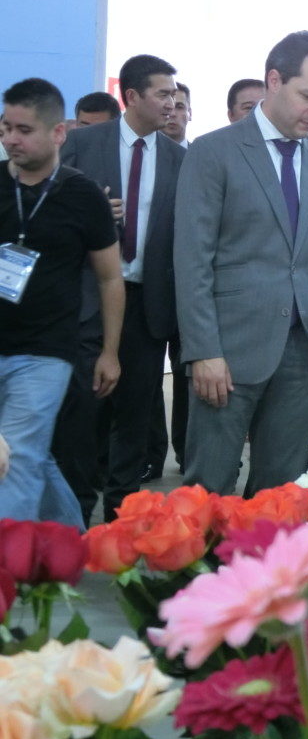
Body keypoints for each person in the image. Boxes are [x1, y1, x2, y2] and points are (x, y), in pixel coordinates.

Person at [175, 30, 308, 496]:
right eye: (307, 94)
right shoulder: (214, 152)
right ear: (274, 80)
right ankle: (201, 572)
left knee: (279, 494)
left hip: (307, 351)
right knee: (206, 490)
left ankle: (264, 572)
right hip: (227, 353)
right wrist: (203, 352)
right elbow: (192, 261)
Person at [61, 54, 185, 522]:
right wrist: (90, 215)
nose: (171, 104)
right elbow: (53, 209)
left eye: (175, 95)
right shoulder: (84, 144)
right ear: (131, 96)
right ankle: (75, 513)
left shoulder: (180, 158)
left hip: (148, 303)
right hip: (87, 300)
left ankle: (123, 517)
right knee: (84, 411)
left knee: (135, 413)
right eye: (162, 94)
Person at [0, 78, 124, 527]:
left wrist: (110, 352)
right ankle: (69, 540)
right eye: (5, 127)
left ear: (58, 133)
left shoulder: (82, 195)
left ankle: (6, 576)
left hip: (47, 351)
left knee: (18, 454)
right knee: (30, 453)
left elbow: (111, 278)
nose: (11, 138)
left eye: (24, 129)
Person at [163, 82, 191, 147]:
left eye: (179, 107)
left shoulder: (202, 156)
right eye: (167, 107)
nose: (172, 114)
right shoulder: (142, 154)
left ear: (190, 113)